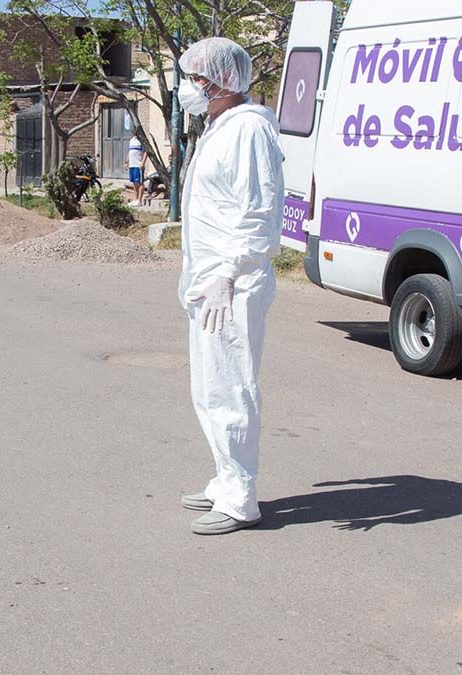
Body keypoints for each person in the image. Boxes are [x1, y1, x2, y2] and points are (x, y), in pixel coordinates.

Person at [176, 37, 285, 535]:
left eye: (194, 77)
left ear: (218, 83)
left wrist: (227, 274)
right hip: (211, 278)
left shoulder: (248, 132)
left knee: (231, 386)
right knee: (208, 386)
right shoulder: (221, 128)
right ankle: (224, 479)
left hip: (233, 281)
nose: (187, 87)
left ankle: (241, 497)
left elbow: (258, 212)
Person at [127, 135, 147, 206]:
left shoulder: (141, 141)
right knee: (135, 183)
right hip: (132, 165)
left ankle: (139, 200)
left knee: (140, 183)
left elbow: (145, 152)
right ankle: (135, 199)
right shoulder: (132, 140)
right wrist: (127, 162)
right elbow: (130, 151)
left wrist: (143, 163)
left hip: (138, 165)